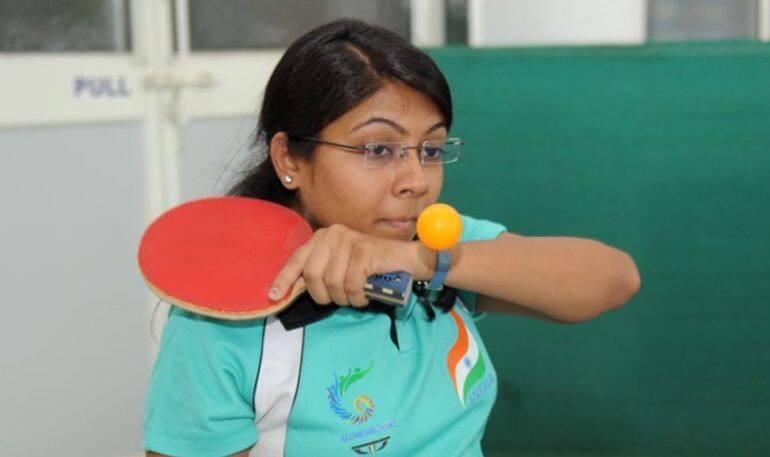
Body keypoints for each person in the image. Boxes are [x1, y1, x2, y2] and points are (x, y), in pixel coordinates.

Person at [143, 18, 640, 457]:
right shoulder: (218, 323)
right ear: (290, 159)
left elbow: (615, 280)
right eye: (378, 148)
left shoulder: (431, 242)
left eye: (430, 149)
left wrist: (423, 262)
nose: (416, 180)